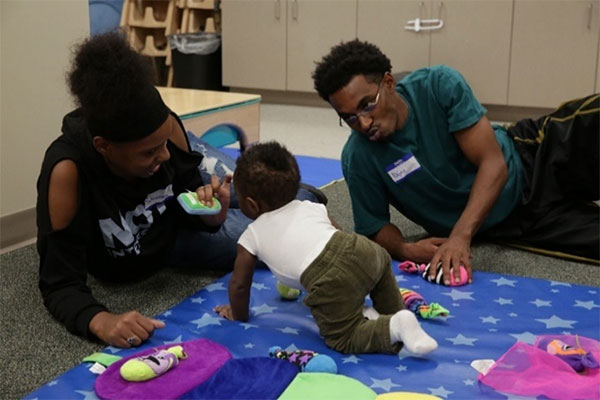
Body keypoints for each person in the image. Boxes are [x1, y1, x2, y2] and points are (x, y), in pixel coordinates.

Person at [36, 31, 325, 348]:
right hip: (165, 241)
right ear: (103, 147)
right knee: (273, 240)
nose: (162, 156)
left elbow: (191, 198)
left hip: (179, 202)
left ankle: (296, 192)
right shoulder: (67, 171)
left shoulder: (166, 135)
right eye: (148, 151)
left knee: (295, 198)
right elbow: (59, 282)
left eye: (163, 145)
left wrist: (213, 213)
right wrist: (101, 320)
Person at [312, 39, 599, 285]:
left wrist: (460, 237)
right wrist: (405, 248)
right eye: (348, 117)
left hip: (531, 159)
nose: (362, 122)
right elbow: (375, 227)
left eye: (366, 104)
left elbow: (494, 164)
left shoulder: (438, 85)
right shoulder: (358, 158)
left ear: (388, 83)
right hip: (516, 223)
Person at [214, 141, 438, 355]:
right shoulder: (312, 206)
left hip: (329, 278)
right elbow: (337, 234)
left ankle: (394, 327)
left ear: (251, 204)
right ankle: (394, 315)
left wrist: (237, 313)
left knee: (343, 337)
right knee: (379, 281)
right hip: (365, 249)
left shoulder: (251, 235)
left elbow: (240, 285)